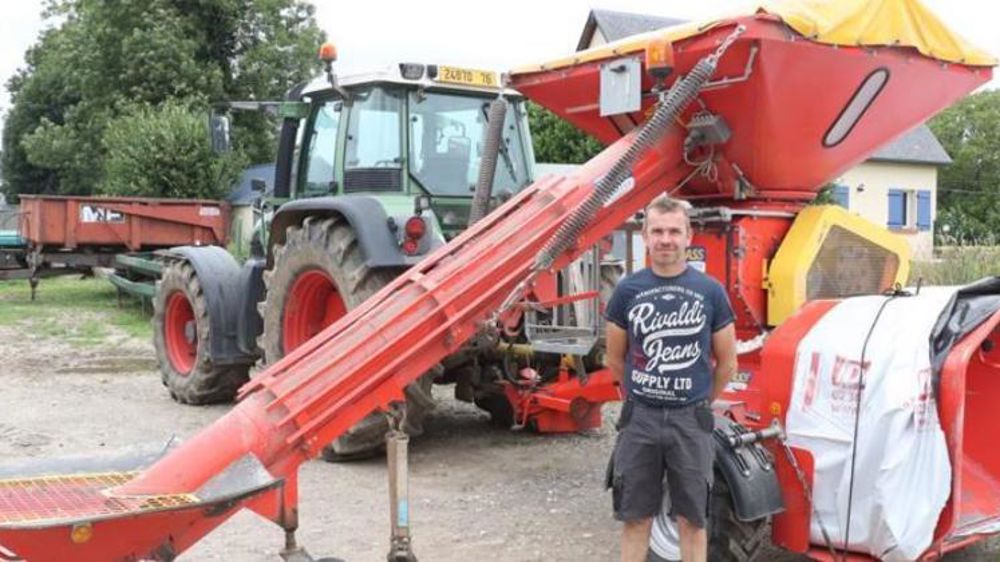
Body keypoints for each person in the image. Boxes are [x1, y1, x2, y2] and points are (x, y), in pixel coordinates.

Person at [604, 195, 737, 562]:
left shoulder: (710, 291)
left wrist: (700, 401)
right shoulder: (628, 290)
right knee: (635, 518)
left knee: (693, 521)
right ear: (645, 236)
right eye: (658, 231)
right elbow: (614, 358)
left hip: (690, 421)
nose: (666, 239)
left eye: (674, 231)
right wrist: (639, 394)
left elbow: (727, 362)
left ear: (688, 235)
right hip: (641, 419)